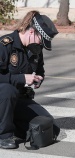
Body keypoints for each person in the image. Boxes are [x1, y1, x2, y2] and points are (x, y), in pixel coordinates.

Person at [0, 10, 60, 149]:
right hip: (4, 97)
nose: (40, 45)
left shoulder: (35, 48)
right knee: (8, 91)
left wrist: (38, 78)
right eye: (41, 40)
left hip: (18, 99)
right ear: (32, 32)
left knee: (49, 128)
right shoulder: (5, 45)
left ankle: (9, 122)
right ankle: (4, 135)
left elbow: (40, 70)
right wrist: (22, 78)